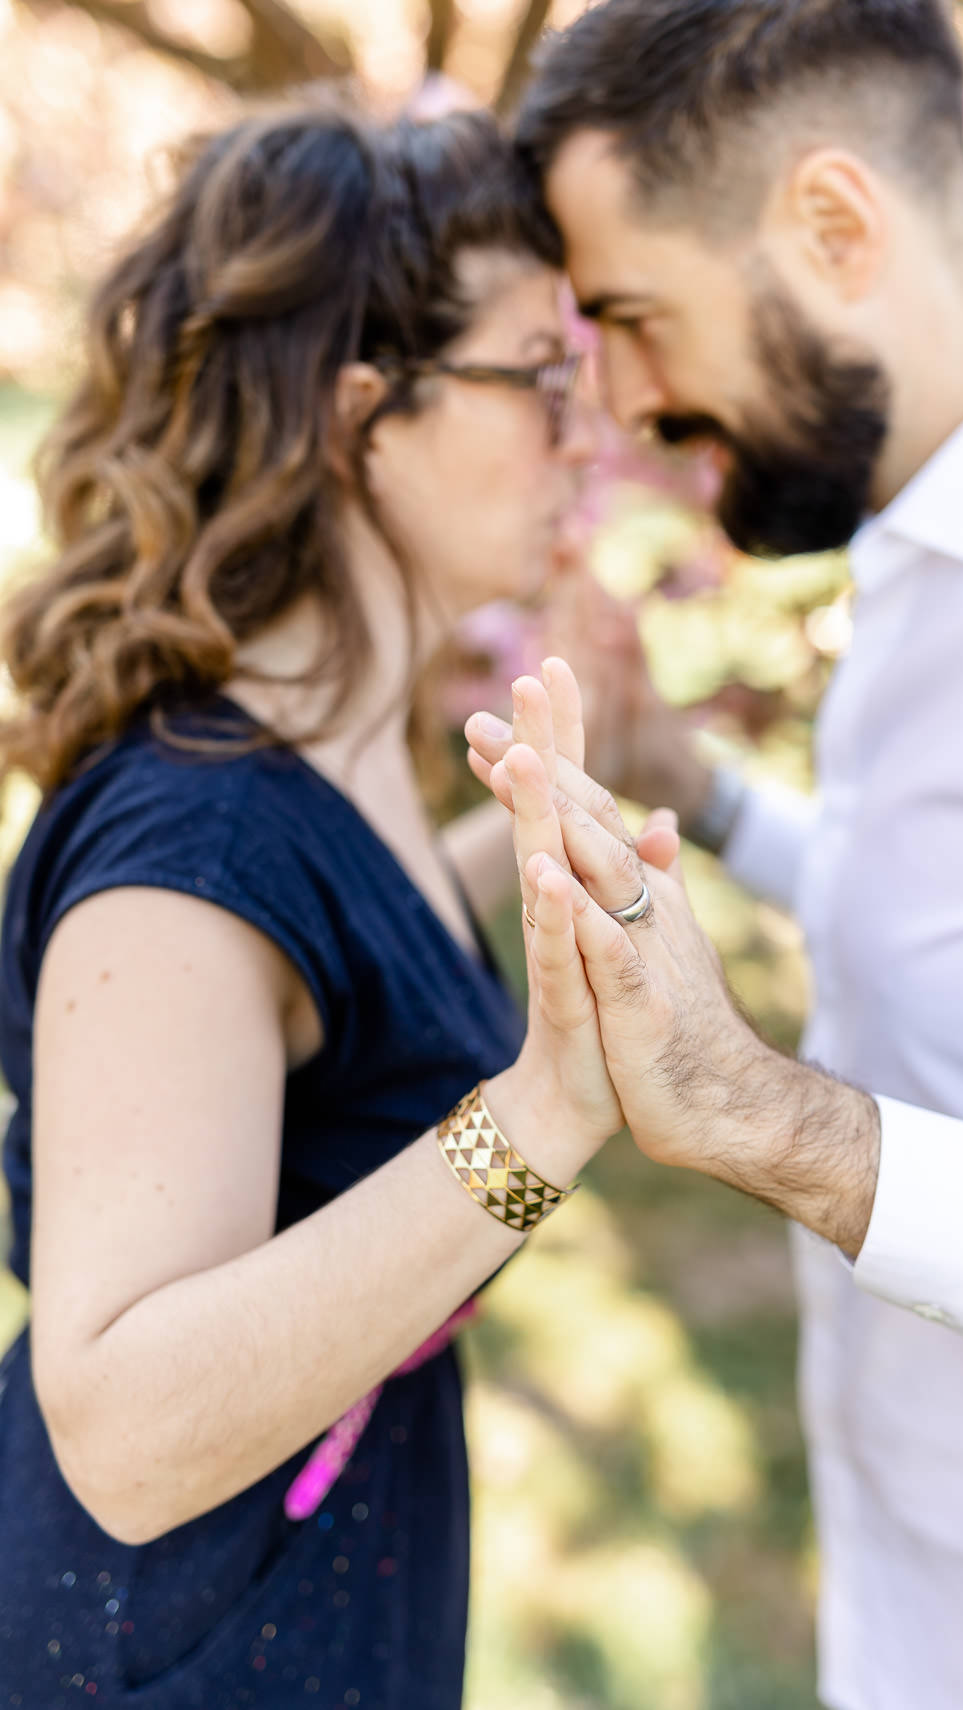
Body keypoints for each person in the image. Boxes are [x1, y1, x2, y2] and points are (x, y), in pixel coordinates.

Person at [466, 3, 963, 1707]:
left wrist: (772, 1120)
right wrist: (699, 791)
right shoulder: (946, 545)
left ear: (836, 223)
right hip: (925, 1615)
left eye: (633, 316)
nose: (623, 399)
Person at [0, 96, 665, 1710]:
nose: (587, 438)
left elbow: (351, 961)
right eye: (541, 378)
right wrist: (542, 1115)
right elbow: (124, 1430)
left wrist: (563, 849)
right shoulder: (193, 843)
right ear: (364, 414)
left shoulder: (324, 761)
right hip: (173, 1652)